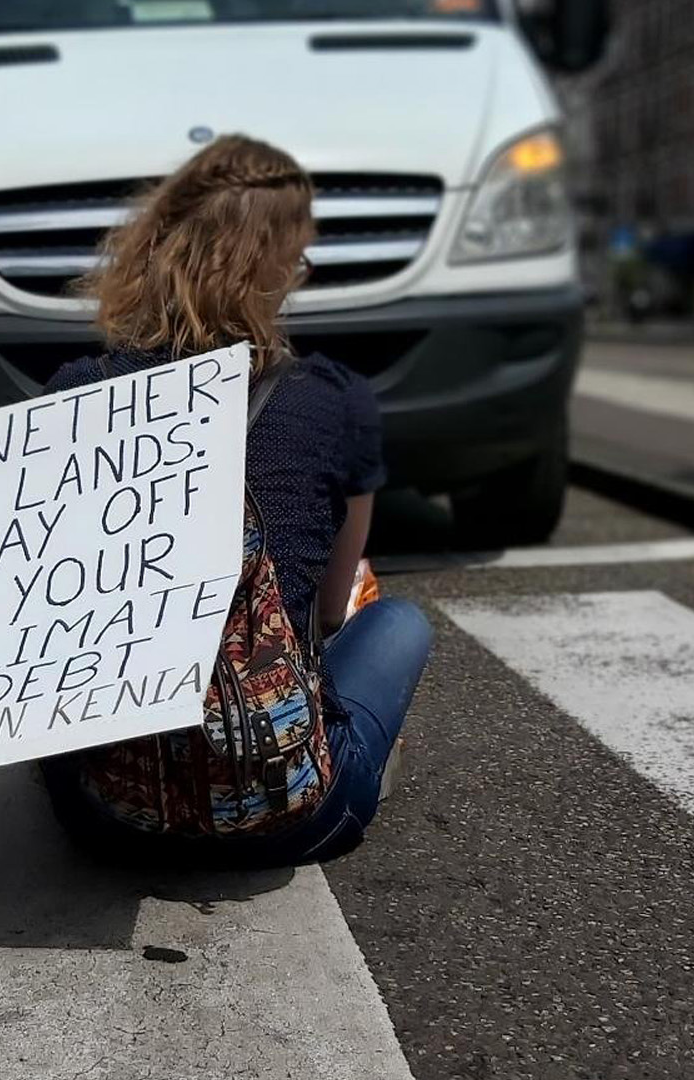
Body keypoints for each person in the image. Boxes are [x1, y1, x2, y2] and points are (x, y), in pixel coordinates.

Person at [38, 135, 433, 867]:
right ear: (283, 269)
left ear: (154, 250)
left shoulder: (77, 391)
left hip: (112, 822)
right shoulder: (336, 399)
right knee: (399, 621)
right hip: (295, 818)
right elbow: (324, 611)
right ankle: (345, 760)